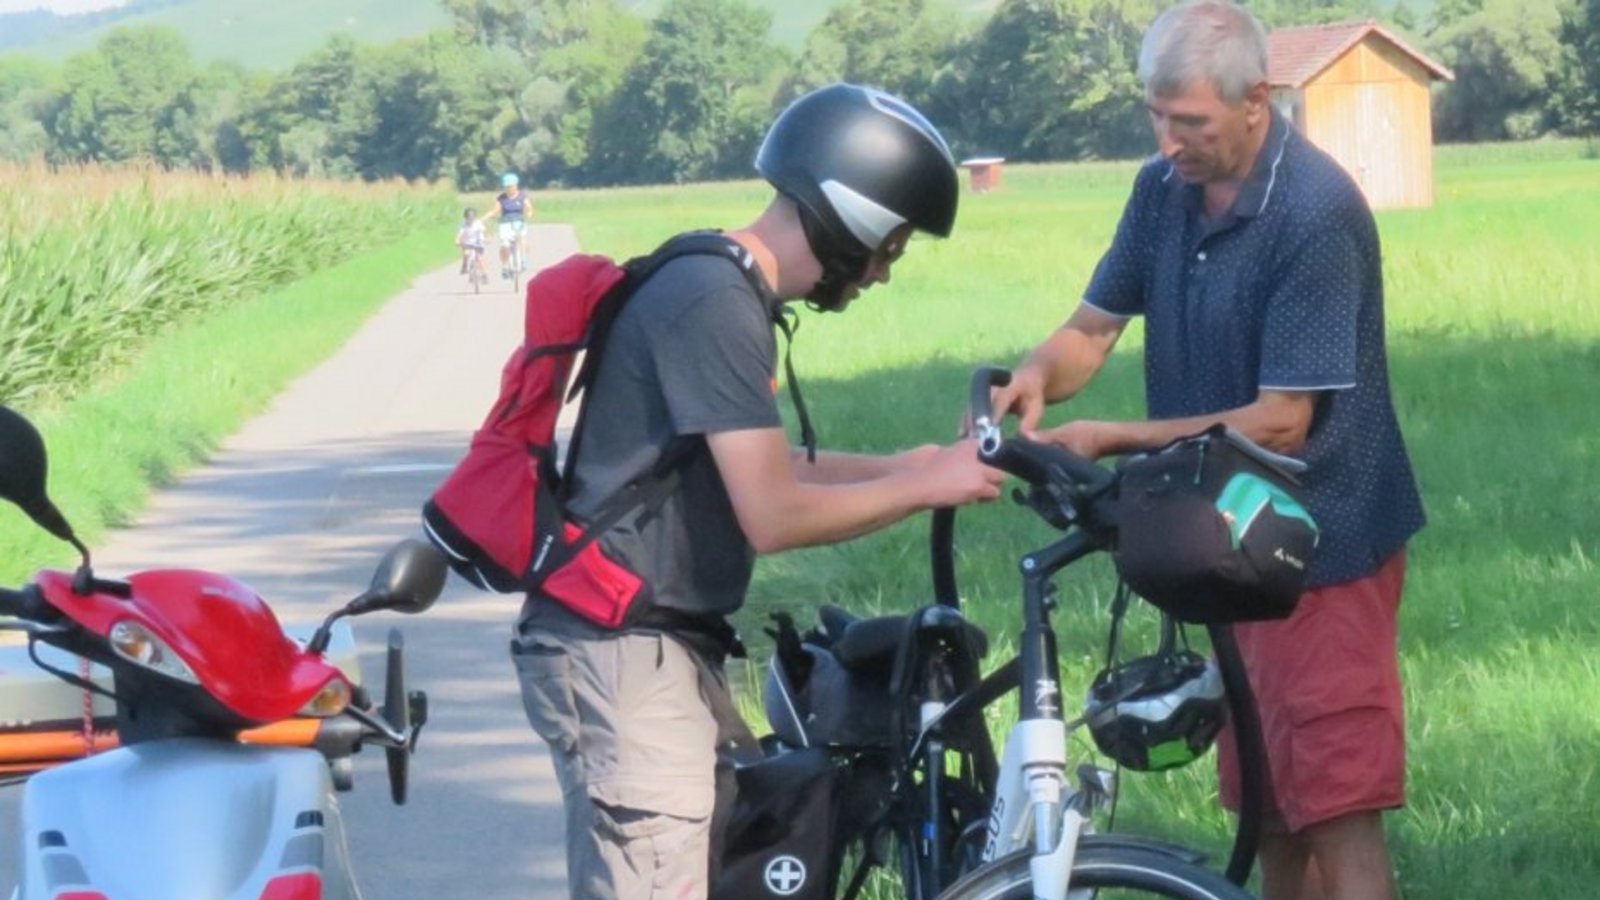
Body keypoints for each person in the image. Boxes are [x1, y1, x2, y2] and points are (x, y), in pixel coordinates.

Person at [513, 83, 1006, 900]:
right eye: (890, 247)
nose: (884, 274)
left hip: (650, 648)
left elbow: (769, 467)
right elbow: (774, 515)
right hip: (622, 655)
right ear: (852, 220)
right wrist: (922, 488)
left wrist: (903, 465)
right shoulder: (714, 303)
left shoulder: (718, 284)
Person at [989, 3, 1426, 899]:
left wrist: (1114, 437)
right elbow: (1093, 328)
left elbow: (1281, 422)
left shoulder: (1313, 213)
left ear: (1256, 99)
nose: (1169, 141)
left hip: (1322, 550)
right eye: (1156, 115)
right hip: (1222, 547)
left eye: (1190, 121)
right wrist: (1033, 376)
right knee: (1267, 810)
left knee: (1338, 809)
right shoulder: (1162, 191)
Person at [483, 171, 531, 279]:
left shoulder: (522, 196)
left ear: (516, 185)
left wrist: (528, 214)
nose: (509, 189)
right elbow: (494, 211)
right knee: (504, 245)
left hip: (519, 222)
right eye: (507, 187)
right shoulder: (502, 198)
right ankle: (505, 266)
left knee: (521, 238)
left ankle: (524, 260)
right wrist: (483, 219)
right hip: (505, 223)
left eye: (510, 186)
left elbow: (529, 208)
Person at [455, 207, 487, 278]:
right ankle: (464, 266)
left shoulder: (478, 223)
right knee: (466, 253)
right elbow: (459, 234)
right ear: (466, 217)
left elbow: (485, 232)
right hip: (468, 242)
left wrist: (487, 238)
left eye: (472, 217)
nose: (470, 219)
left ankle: (484, 273)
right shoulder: (463, 224)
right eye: (469, 218)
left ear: (475, 217)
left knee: (479, 257)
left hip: (478, 242)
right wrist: (457, 240)